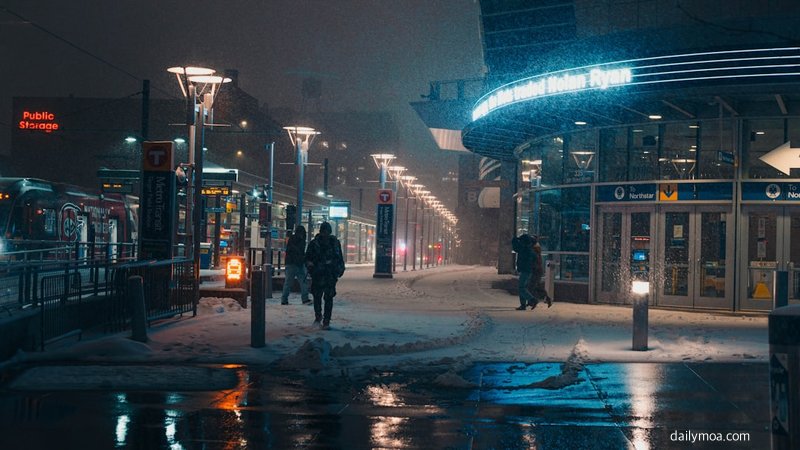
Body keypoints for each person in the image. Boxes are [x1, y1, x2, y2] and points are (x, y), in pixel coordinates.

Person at [305, 221, 345, 330]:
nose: (325, 234)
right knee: (317, 297)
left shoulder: (334, 243)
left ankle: (326, 320)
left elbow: (339, 257)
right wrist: (310, 265)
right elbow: (307, 258)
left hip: (329, 275)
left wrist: (339, 269)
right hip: (318, 274)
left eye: (327, 232)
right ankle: (318, 317)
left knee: (328, 298)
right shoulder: (314, 244)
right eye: (324, 232)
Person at [281, 225, 310, 305]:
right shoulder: (301, 241)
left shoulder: (292, 239)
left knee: (288, 282)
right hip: (298, 264)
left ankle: (284, 299)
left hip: (290, 263)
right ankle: (305, 298)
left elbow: (291, 251)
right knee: (303, 281)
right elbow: (300, 252)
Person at [511, 234, 535, 310]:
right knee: (522, 287)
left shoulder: (525, 248)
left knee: (521, 288)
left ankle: (532, 300)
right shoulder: (528, 248)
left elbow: (516, 248)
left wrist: (514, 240)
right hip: (527, 270)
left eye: (521, 241)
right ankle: (523, 304)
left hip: (526, 271)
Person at [528, 235, 553, 308]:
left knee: (531, 286)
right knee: (536, 286)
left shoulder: (534, 249)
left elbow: (534, 261)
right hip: (537, 270)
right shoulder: (536, 249)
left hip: (536, 270)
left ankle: (533, 300)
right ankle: (545, 298)